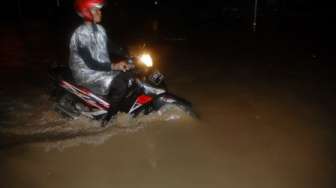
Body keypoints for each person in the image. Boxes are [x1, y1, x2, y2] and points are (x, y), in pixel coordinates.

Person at [69, 0, 132, 126]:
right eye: (95, 9)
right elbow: (90, 63)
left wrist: (129, 55)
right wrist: (114, 65)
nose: (100, 12)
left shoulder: (100, 29)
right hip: (87, 73)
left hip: (102, 69)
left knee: (130, 75)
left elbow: (111, 47)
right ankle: (108, 120)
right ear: (86, 12)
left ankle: (118, 106)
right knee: (120, 86)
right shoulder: (81, 34)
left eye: (99, 9)